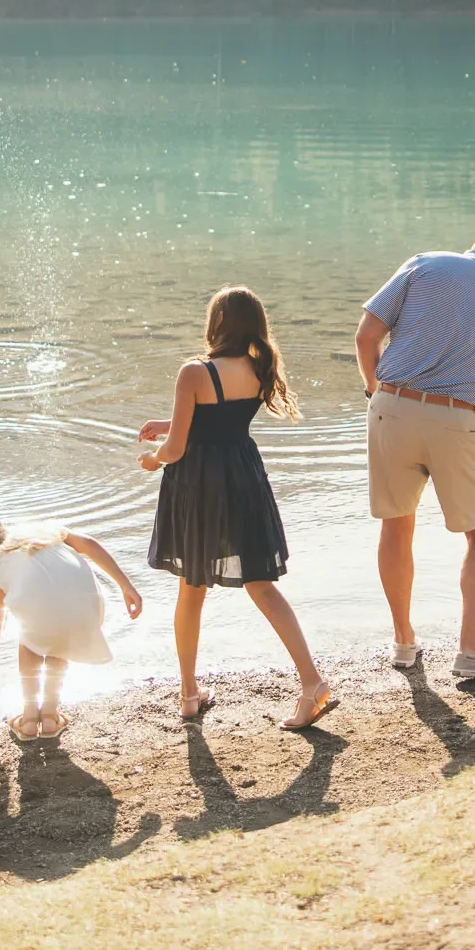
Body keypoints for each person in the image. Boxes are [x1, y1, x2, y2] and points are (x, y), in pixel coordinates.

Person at [138, 284, 336, 729]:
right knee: (262, 585)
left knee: (191, 589)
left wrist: (153, 459)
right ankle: (312, 683)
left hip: (200, 485)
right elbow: (222, 419)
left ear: (216, 324)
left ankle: (190, 694)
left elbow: (175, 449)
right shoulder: (259, 367)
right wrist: (170, 422)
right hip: (243, 476)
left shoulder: (194, 371)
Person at [355, 211, 475, 685]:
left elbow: (366, 336)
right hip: (460, 420)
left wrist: (377, 391)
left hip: (390, 405)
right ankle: (471, 651)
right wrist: (468, 418)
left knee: (396, 527)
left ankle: (403, 642)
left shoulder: (425, 264)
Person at [0, 520, 143, 741]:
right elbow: (89, 545)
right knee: (57, 631)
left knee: (31, 633)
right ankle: (49, 715)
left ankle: (29, 719)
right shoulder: (40, 533)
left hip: (60, 618)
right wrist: (125, 585)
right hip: (87, 610)